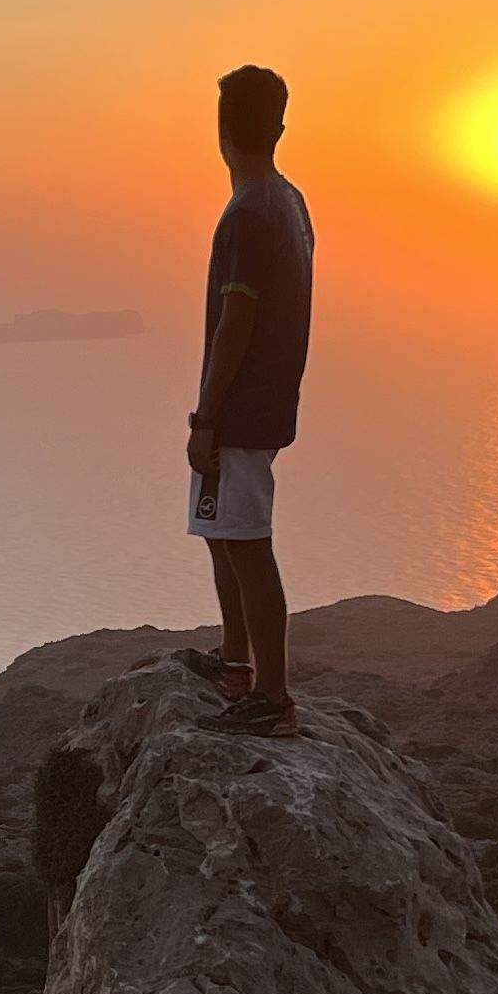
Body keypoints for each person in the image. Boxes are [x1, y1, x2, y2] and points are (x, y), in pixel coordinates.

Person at [182, 62, 316, 738]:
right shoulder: (289, 201)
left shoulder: (247, 214)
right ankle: (236, 663)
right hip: (265, 402)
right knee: (222, 536)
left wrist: (207, 417)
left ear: (222, 130)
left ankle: (272, 698)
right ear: (279, 126)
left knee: (248, 545)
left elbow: (236, 323)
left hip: (240, 408)